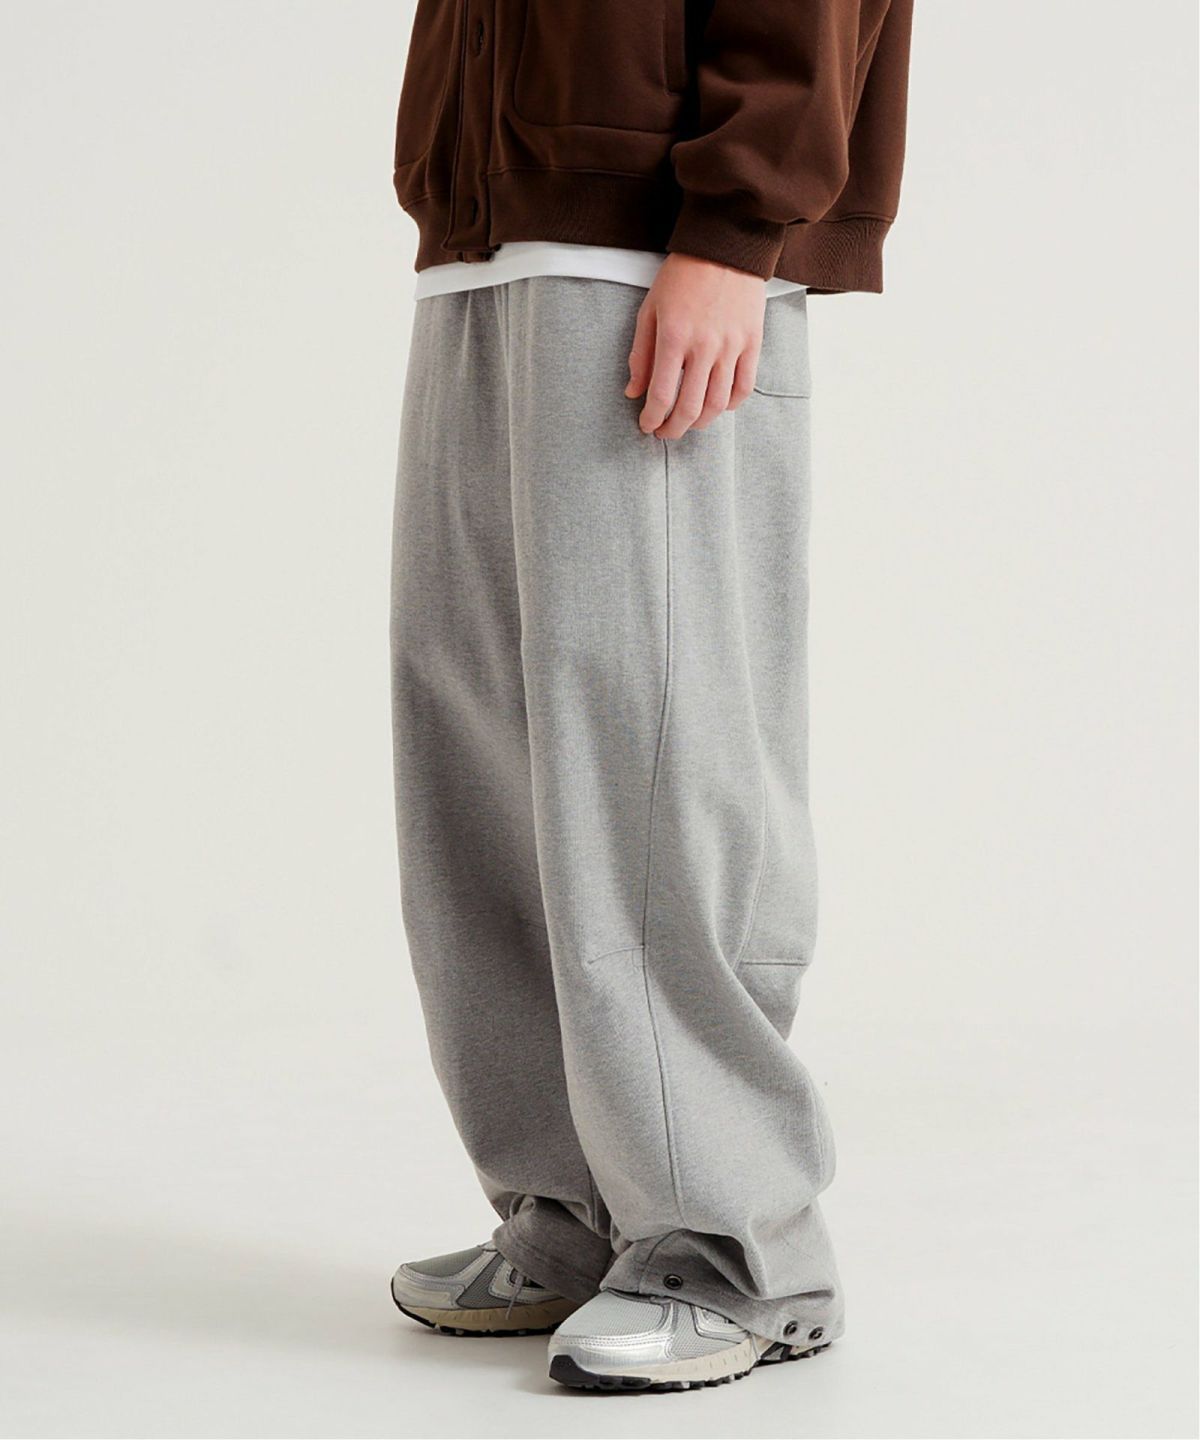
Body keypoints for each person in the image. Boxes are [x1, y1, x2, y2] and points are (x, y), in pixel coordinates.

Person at [386, 0, 913, 1394]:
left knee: (654, 747)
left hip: (656, 228)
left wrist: (736, 229)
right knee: (481, 740)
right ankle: (578, 1207)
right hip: (498, 221)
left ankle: (734, 1243)